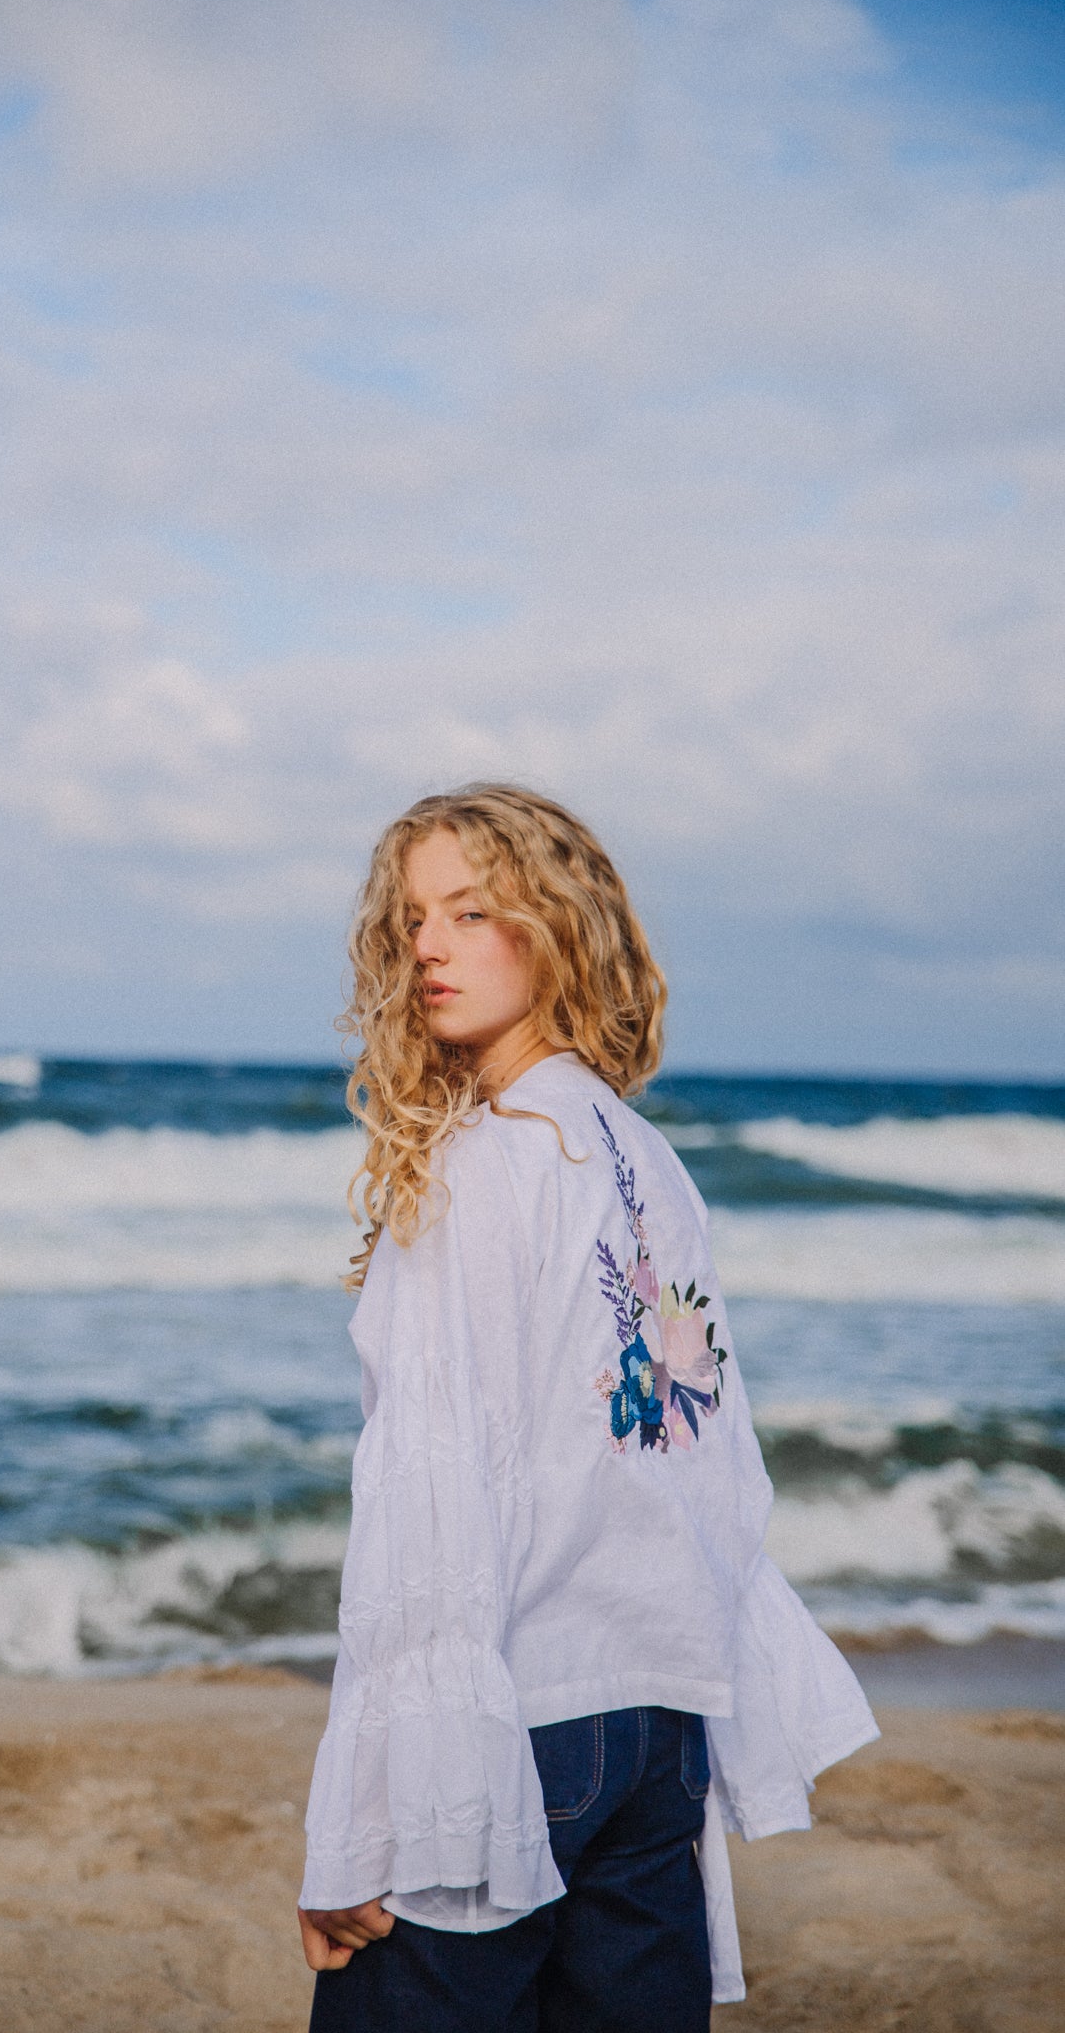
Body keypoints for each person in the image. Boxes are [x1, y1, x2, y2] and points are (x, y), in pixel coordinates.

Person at [296, 783, 878, 2032]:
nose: (429, 948)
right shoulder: (644, 1156)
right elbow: (708, 1458)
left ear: (557, 925)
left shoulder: (479, 1163)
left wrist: (361, 1823)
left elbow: (429, 1495)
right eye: (410, 920)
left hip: (523, 1719)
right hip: (658, 1722)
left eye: (471, 910)